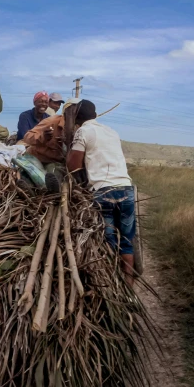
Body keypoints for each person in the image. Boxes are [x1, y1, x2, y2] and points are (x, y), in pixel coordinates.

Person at [65, 100, 136, 284]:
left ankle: (112, 284)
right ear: (95, 115)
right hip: (126, 190)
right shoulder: (112, 132)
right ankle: (129, 286)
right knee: (127, 243)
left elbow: (73, 166)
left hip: (104, 193)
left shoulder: (83, 131)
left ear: (78, 118)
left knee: (108, 243)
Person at [19, 100, 77, 164]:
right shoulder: (52, 121)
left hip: (59, 161)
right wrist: (42, 137)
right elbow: (27, 136)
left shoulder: (79, 127)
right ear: (65, 113)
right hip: (40, 159)